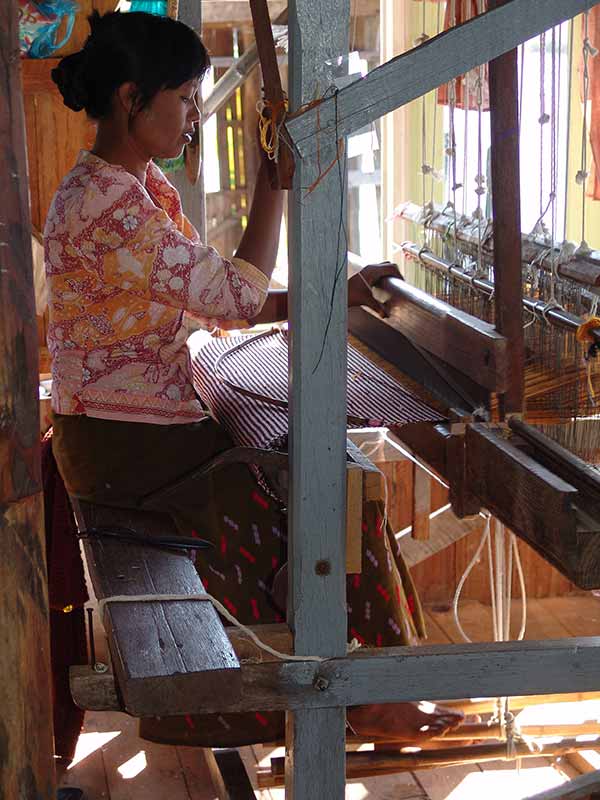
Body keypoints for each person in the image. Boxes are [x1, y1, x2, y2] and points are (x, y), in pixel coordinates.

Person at [46, 9, 463, 753]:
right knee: (331, 485)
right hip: (128, 452)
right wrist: (274, 179)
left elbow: (211, 295)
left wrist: (335, 289)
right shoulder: (108, 206)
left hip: (130, 432)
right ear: (130, 99)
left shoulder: (130, 186)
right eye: (181, 100)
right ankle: (366, 695)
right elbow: (235, 296)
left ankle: (381, 682)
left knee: (335, 473)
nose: (192, 118)